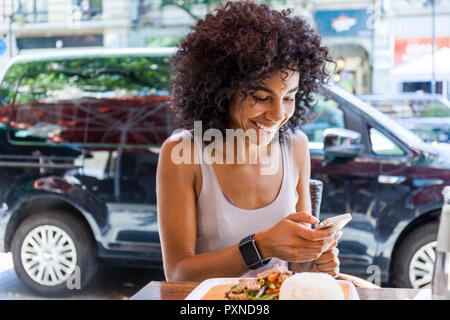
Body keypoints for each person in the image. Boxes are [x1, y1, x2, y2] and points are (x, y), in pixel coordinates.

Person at [156, 0, 341, 282]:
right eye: (261, 97)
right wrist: (260, 246)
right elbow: (179, 274)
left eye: (288, 97)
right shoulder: (183, 154)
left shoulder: (295, 146)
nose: (278, 115)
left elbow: (296, 264)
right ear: (223, 90)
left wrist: (314, 262)